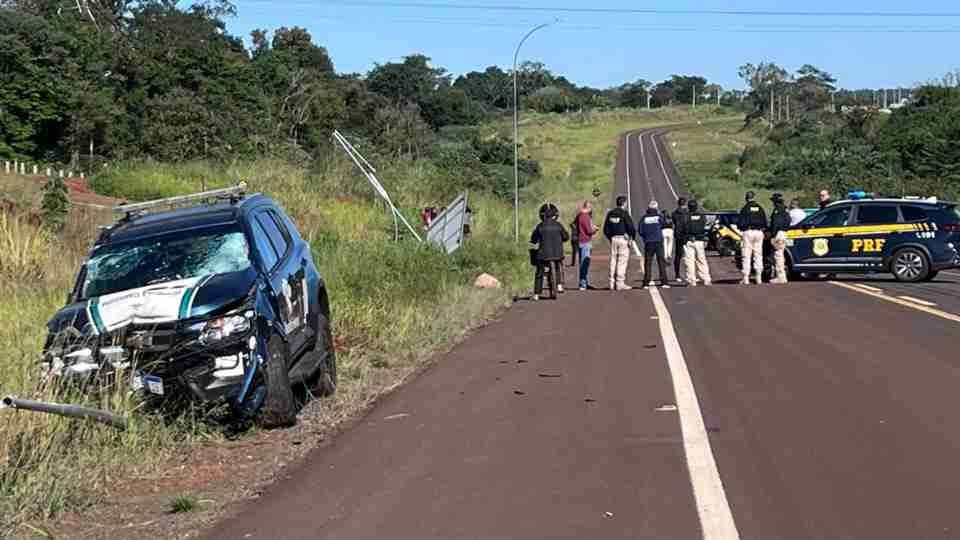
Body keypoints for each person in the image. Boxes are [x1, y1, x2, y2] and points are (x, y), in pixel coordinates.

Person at [530, 203, 569, 300]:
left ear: (542, 215)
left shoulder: (540, 226)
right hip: (557, 254)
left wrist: (534, 240)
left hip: (543, 255)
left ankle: (536, 294)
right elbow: (566, 237)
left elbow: (533, 239)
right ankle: (559, 284)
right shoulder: (558, 225)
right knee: (557, 266)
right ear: (554, 215)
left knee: (539, 272)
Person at [603, 195, 637, 291]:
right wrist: (631, 238)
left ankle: (611, 282)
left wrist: (610, 238)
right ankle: (619, 283)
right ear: (624, 203)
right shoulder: (624, 213)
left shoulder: (610, 214)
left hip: (613, 239)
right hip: (623, 239)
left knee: (613, 261)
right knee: (622, 261)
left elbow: (605, 229)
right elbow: (631, 227)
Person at [638, 200, 671, 289]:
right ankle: (664, 282)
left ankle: (646, 283)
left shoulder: (644, 218)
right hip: (658, 241)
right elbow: (665, 224)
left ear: (648, 208)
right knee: (661, 261)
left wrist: (646, 237)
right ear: (656, 208)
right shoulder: (659, 217)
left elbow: (640, 230)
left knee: (648, 263)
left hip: (648, 242)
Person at [738, 191, 767, 285]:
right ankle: (759, 278)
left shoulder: (745, 209)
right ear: (754, 197)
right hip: (759, 232)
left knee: (746, 255)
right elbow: (765, 222)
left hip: (748, 232)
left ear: (746, 198)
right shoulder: (760, 208)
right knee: (758, 255)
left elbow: (740, 223)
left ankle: (746, 278)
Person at [683, 199, 712, 287]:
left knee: (689, 261)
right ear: (696, 207)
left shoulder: (686, 216)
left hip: (689, 240)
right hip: (699, 240)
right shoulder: (702, 216)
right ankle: (706, 279)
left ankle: (692, 280)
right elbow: (705, 227)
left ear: (689, 207)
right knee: (701, 260)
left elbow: (684, 227)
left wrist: (688, 236)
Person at [575, 200, 598, 290]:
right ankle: (583, 284)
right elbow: (589, 230)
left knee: (582, 262)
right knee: (584, 263)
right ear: (588, 207)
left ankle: (584, 282)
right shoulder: (585, 217)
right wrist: (595, 230)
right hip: (585, 241)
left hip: (580, 240)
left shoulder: (579, 216)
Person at [769, 193, 791, 284]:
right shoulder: (785, 209)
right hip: (784, 233)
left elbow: (776, 224)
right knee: (781, 255)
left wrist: (773, 235)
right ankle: (782, 276)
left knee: (778, 256)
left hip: (778, 234)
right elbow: (789, 220)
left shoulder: (777, 210)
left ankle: (781, 277)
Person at [671, 197, 690, 284]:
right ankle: (689, 274)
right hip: (687, 236)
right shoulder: (688, 213)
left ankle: (677, 275)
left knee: (678, 256)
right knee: (689, 256)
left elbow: (675, 222)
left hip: (678, 236)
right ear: (685, 204)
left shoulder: (674, 213)